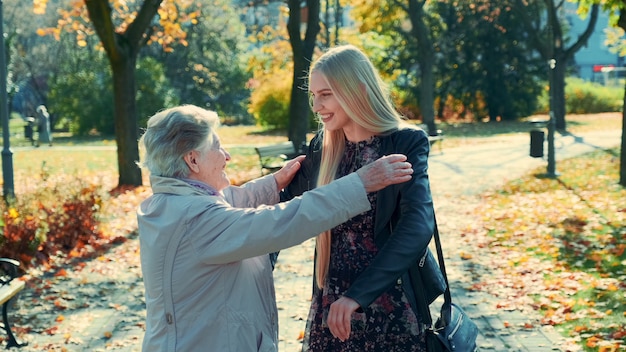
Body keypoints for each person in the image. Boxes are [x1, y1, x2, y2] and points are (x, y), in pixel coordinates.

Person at [135, 104, 413, 352]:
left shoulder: (169, 205)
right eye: (217, 147)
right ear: (192, 160)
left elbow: (230, 203)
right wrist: (359, 184)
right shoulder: (195, 220)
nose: (227, 155)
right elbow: (281, 221)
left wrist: (273, 184)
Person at [280, 44, 436, 351]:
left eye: (325, 94)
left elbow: (417, 224)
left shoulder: (404, 142)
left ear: (359, 90)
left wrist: (357, 296)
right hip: (331, 305)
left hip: (388, 302)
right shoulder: (322, 148)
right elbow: (283, 212)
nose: (316, 105)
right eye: (313, 95)